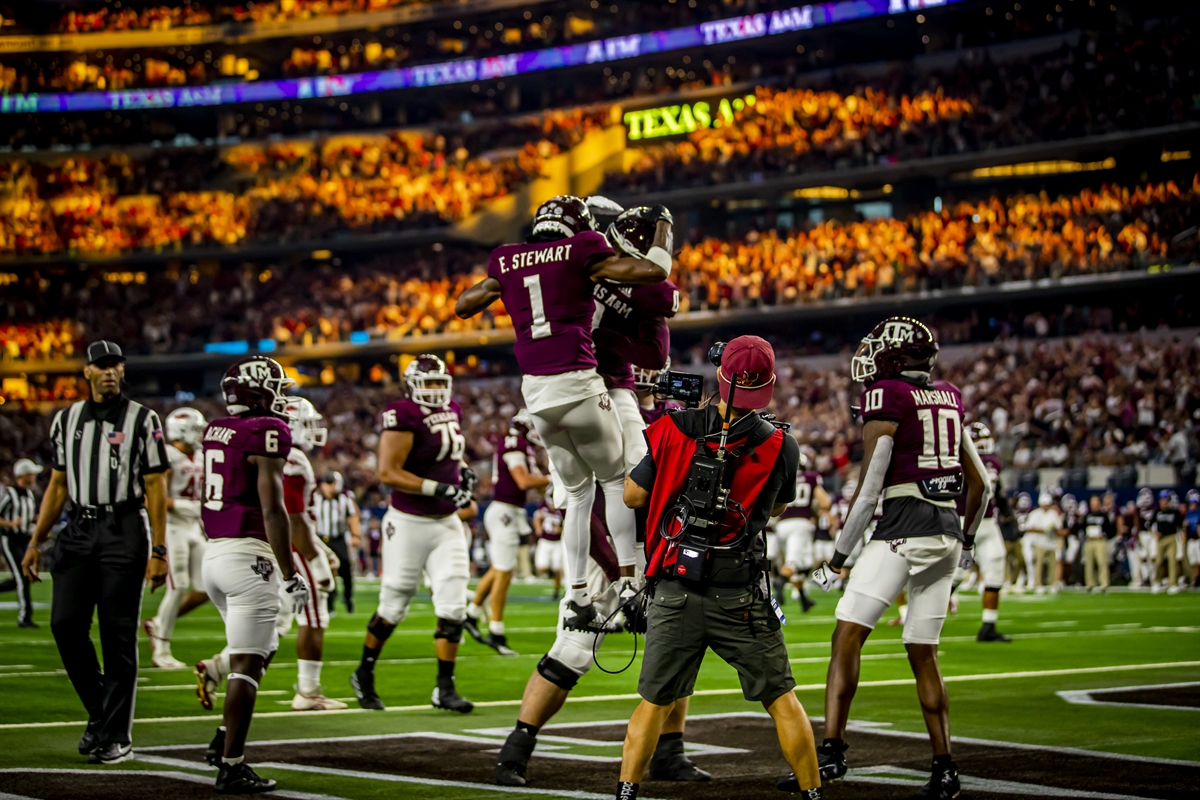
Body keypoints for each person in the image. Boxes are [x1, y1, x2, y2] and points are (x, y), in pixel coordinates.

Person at [618, 335, 823, 800]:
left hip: (676, 587)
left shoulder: (674, 427)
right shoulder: (780, 444)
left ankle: (626, 792)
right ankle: (814, 795)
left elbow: (633, 495)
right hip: (740, 594)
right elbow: (774, 511)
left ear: (720, 374)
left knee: (651, 704)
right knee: (782, 700)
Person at [455, 196, 673, 630]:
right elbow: (656, 272)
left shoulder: (507, 258)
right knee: (615, 482)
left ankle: (576, 595)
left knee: (576, 495)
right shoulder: (581, 248)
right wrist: (662, 228)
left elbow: (464, 305)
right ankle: (628, 584)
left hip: (535, 394)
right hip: (580, 381)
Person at [811, 317, 990, 800]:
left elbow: (870, 489)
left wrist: (838, 558)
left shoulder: (887, 395)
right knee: (923, 653)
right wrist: (968, 541)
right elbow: (983, 484)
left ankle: (831, 751)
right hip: (947, 535)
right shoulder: (949, 394)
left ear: (893, 357)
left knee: (846, 636)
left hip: (901, 531)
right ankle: (945, 767)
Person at [494, 490, 710, 788]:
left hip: (656, 544)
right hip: (602, 551)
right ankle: (515, 750)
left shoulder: (662, 442)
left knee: (676, 646)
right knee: (573, 651)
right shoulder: (585, 446)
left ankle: (670, 753)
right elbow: (578, 510)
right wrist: (620, 576)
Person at [21, 340, 171, 765]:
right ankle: (100, 714)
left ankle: (116, 735)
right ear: (85, 372)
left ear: (122, 371)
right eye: (100, 366)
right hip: (79, 527)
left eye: (115, 365)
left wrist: (159, 549)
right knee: (65, 625)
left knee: (117, 634)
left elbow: (157, 484)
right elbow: (57, 484)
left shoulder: (143, 419)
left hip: (124, 528)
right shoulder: (67, 420)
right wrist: (36, 541)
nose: (109, 372)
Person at [193, 356, 310, 792]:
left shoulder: (216, 428)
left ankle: (222, 740)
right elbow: (273, 509)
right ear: (258, 391)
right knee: (246, 665)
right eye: (276, 387)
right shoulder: (269, 431)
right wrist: (291, 573)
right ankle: (231, 765)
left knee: (263, 647)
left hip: (215, 556)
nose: (283, 396)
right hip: (249, 555)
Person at [350, 354, 476, 713]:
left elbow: (449, 456)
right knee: (395, 602)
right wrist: (437, 488)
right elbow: (388, 472)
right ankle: (364, 672)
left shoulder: (452, 408)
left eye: (440, 382)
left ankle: (444, 687)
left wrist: (462, 472)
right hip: (408, 521)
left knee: (454, 602)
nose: (435, 390)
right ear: (411, 385)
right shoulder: (401, 414)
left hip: (446, 522)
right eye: (429, 383)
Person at [278, 397, 345, 710]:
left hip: (274, 544)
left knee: (274, 621)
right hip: (292, 546)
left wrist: (322, 548)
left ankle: (218, 667)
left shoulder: (272, 453)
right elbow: (294, 518)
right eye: (306, 423)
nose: (313, 430)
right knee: (314, 615)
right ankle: (308, 691)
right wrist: (317, 562)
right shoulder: (292, 459)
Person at [465, 408, 549, 656]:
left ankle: (471, 614)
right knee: (504, 572)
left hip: (510, 511)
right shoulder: (515, 442)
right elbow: (523, 481)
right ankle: (496, 630)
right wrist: (554, 477)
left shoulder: (523, 446)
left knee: (500, 568)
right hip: (503, 511)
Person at [142, 407, 209, 669]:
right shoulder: (167, 456)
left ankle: (158, 623)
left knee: (207, 586)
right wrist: (179, 505)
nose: (199, 433)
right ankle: (162, 648)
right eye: (195, 428)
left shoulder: (202, 457)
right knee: (178, 584)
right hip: (171, 527)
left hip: (194, 526)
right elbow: (152, 498)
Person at [960, 422, 1010, 642]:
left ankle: (988, 625)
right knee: (954, 575)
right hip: (963, 520)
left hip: (988, 522)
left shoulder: (995, 462)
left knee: (996, 570)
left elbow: (996, 491)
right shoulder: (956, 460)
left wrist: (1007, 510)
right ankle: (927, 619)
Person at [774, 453, 830, 613]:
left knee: (798, 563)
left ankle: (803, 599)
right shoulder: (811, 477)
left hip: (782, 524)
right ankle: (781, 581)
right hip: (801, 523)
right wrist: (814, 511)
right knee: (795, 562)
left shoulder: (783, 476)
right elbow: (825, 502)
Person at [1, 458, 42, 628]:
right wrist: (10, 524)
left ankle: (26, 617)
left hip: (24, 540)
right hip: (10, 539)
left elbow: (27, 518)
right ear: (23, 475)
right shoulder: (9, 495)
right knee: (21, 578)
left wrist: (34, 520)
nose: (34, 477)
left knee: (22, 577)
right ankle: (24, 618)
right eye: (31, 473)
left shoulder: (30, 495)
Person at [314, 472, 360, 613]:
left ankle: (348, 596)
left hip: (338, 539)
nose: (332, 487)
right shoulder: (315, 499)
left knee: (345, 567)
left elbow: (353, 517)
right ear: (322, 485)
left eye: (334, 484)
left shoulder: (344, 499)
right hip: (321, 539)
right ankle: (329, 602)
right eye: (329, 484)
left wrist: (355, 535)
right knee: (325, 570)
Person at [1023, 494, 1064, 594]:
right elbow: (1028, 528)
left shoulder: (1053, 514)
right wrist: (1042, 530)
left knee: (1052, 566)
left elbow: (1058, 528)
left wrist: (1052, 530)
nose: (1046, 506)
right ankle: (1038, 584)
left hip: (1051, 543)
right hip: (1038, 543)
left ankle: (1052, 584)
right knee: (1038, 565)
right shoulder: (1034, 514)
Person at [1078, 495, 1116, 591]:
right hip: (1089, 541)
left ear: (1100, 504)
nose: (1094, 505)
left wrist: (1103, 534)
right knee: (1088, 563)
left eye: (1096, 503)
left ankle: (1104, 583)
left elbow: (1110, 529)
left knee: (1102, 562)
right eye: (1092, 503)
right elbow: (1082, 528)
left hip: (1100, 541)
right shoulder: (1087, 516)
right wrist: (1086, 535)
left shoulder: (1104, 515)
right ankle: (1090, 584)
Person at [1152, 490, 1185, 594]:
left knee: (1172, 561)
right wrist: (1154, 534)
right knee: (1158, 561)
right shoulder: (1157, 512)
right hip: (1160, 540)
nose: (1164, 502)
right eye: (1162, 500)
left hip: (1171, 537)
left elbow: (1180, 526)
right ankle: (1157, 582)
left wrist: (1182, 537)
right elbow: (1149, 525)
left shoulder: (1174, 512)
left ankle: (1173, 584)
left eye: (1166, 500)